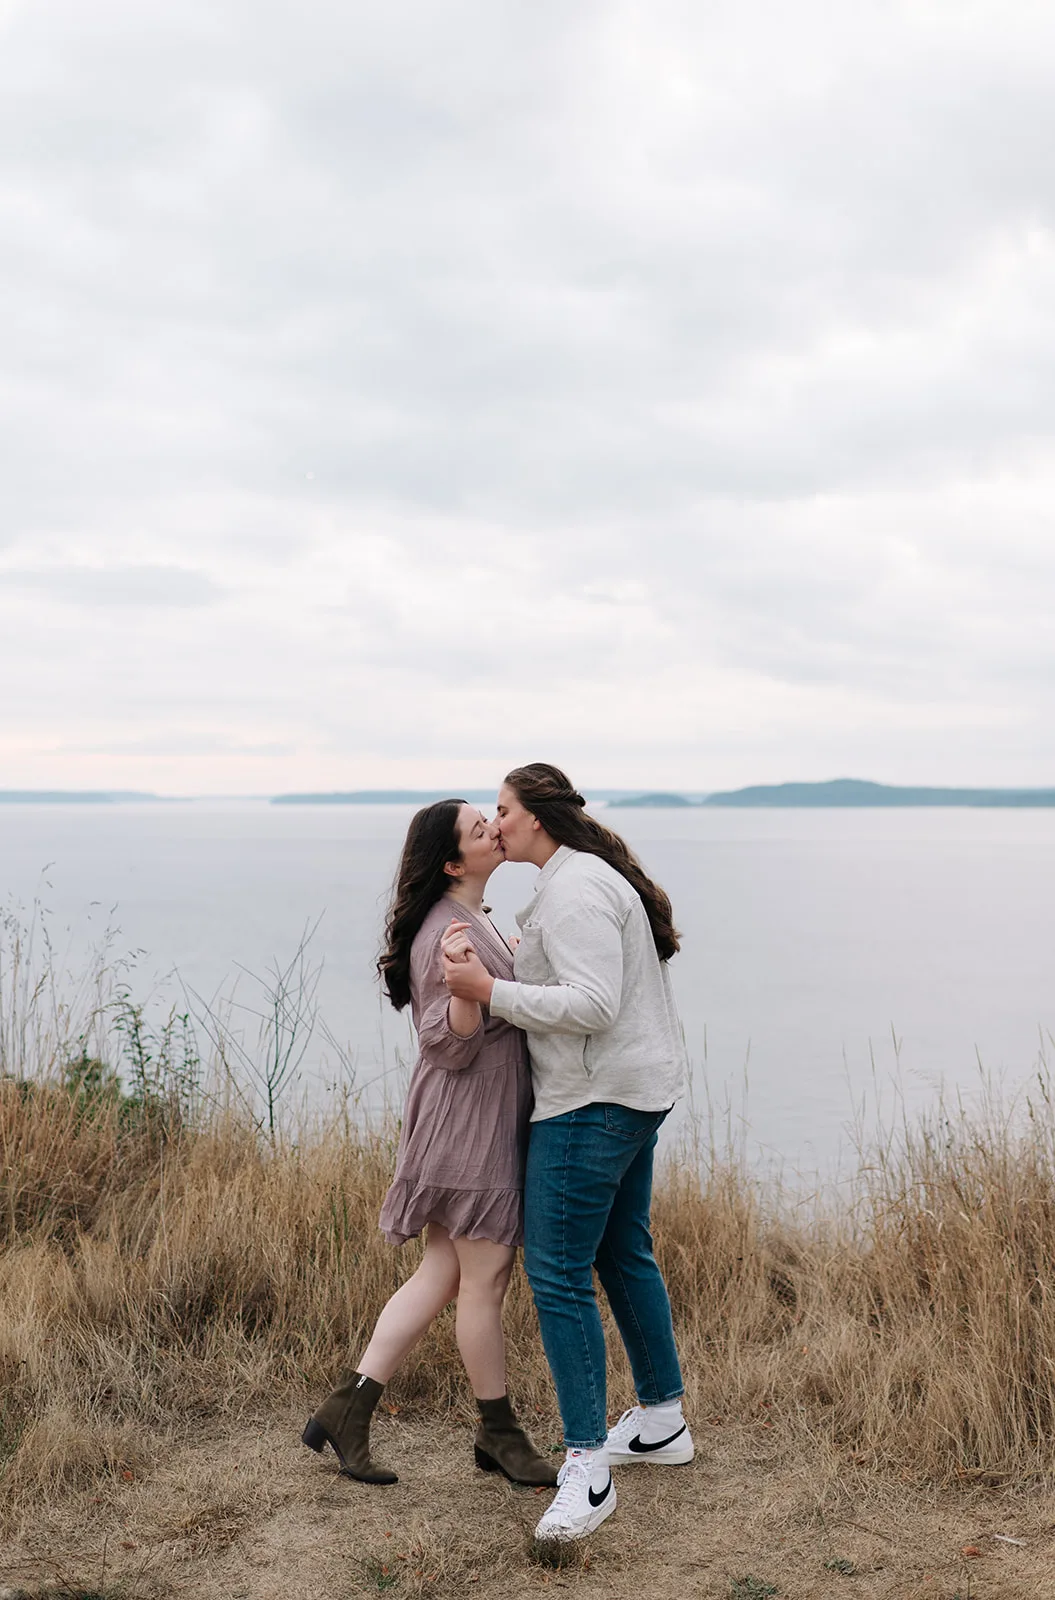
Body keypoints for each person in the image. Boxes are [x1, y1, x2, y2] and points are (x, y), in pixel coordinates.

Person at [442, 763, 692, 1542]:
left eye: (505, 810)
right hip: (634, 1091)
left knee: (555, 1275)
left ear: (538, 819)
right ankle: (660, 1421)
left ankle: (586, 1469)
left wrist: (490, 992)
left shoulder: (576, 889)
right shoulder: (577, 880)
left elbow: (592, 1005)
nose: (497, 823)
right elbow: (589, 984)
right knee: (622, 1253)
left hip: (591, 1103)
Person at [302, 799, 556, 1489]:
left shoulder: (467, 919)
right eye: (480, 830)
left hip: (465, 1119)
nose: (494, 830)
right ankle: (498, 1434)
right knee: (484, 1280)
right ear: (452, 863)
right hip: (468, 1124)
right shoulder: (444, 932)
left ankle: (346, 1409)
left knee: (442, 1273)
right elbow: (446, 1040)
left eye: (490, 819)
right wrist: (466, 987)